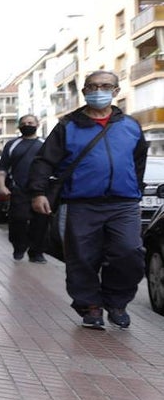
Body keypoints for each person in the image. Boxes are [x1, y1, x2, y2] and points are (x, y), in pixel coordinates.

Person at [29, 70, 147, 330]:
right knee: (82, 257)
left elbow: (139, 161)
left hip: (123, 203)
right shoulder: (67, 125)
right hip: (82, 203)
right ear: (84, 92)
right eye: (92, 86)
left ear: (116, 91)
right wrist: (38, 192)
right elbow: (45, 161)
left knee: (130, 253)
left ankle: (116, 302)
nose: (98, 91)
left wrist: (134, 190)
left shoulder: (130, 126)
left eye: (105, 86)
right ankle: (90, 306)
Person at [0, 114, 50, 262]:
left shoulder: (45, 144)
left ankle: (36, 252)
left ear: (37, 124)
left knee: (41, 222)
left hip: (41, 191)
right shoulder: (12, 145)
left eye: (31, 122)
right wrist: (1, 186)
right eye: (24, 123)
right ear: (19, 127)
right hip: (19, 189)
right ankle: (19, 246)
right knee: (18, 220)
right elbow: (3, 168)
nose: (27, 125)